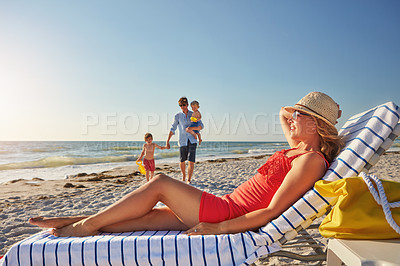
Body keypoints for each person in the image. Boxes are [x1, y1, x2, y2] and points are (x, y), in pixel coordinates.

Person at [29, 92, 344, 238]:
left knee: (161, 183)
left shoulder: (311, 161)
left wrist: (219, 227)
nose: (293, 119)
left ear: (316, 126)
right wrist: (301, 112)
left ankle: (83, 225)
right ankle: (76, 220)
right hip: (222, 205)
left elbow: (272, 211)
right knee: (143, 218)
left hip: (224, 212)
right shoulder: (298, 148)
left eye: (302, 115)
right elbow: (282, 112)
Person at [166, 97, 204, 183]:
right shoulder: (177, 116)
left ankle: (189, 179)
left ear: (187, 104)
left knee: (191, 161)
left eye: (183, 105)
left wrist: (192, 128)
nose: (182, 107)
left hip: (193, 140)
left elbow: (201, 126)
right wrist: (167, 141)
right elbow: (173, 128)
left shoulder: (193, 113)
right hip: (182, 140)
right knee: (182, 160)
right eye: (180, 105)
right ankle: (183, 176)